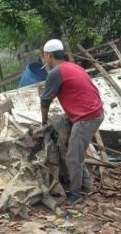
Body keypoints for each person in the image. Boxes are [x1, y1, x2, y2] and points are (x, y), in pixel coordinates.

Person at [40, 39, 104, 205]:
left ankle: (75, 194)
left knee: (72, 157)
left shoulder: (56, 72)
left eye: (45, 56)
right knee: (77, 152)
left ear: (49, 55)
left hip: (86, 118)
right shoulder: (74, 67)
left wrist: (44, 121)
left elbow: (45, 100)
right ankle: (87, 185)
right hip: (95, 113)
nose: (44, 60)